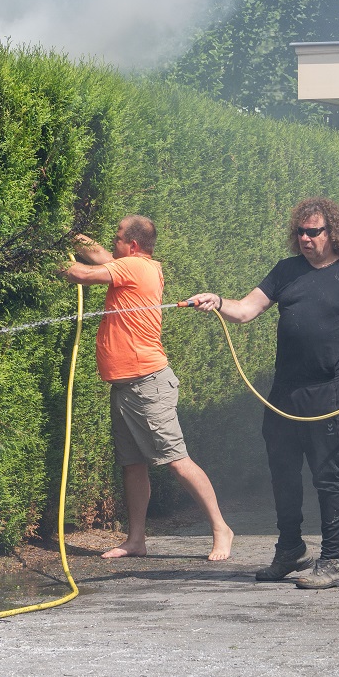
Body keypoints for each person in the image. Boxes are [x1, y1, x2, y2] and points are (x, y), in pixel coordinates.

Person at [187, 198, 339, 590]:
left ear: (332, 233)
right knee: (283, 474)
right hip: (283, 393)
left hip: (327, 392)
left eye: (313, 232)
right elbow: (246, 310)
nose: (304, 238)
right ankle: (291, 550)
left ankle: (332, 560)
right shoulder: (287, 271)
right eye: (299, 232)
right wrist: (218, 302)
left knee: (327, 478)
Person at [57, 216, 234, 561]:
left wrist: (46, 254)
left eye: (118, 238)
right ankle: (136, 539)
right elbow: (100, 257)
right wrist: (68, 234)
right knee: (132, 464)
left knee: (177, 461)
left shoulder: (136, 268)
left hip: (148, 384)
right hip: (126, 387)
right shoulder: (135, 266)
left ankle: (220, 528)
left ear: (133, 246)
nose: (112, 245)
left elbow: (81, 273)